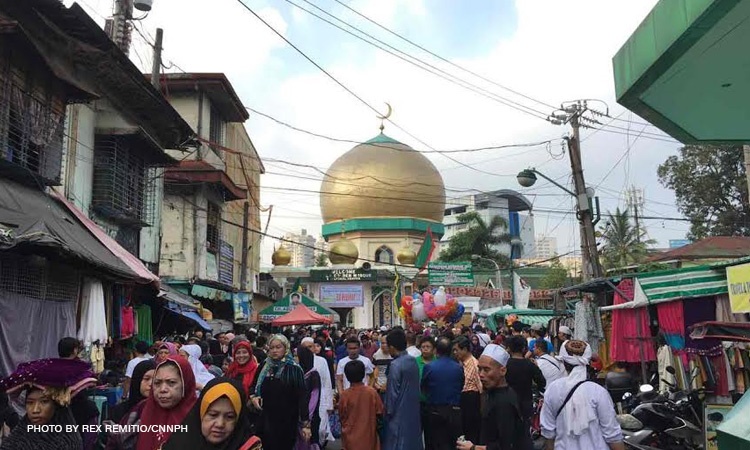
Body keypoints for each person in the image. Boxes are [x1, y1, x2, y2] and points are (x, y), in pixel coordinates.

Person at [540, 340, 624, 450]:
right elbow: (612, 435)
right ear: (588, 362)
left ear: (564, 362)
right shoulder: (598, 392)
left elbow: (548, 433)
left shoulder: (553, 389)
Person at [0, 358, 98, 450]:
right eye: (30, 402)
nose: (35, 410)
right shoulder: (17, 437)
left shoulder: (68, 442)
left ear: (57, 405)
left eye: (44, 402)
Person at [456, 344, 532, 450]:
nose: (481, 374)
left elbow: (506, 445)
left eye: (486, 370)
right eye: (479, 369)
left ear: (503, 371)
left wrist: (473, 448)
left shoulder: (504, 403)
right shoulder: (492, 393)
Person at [162, 378, 261, 450]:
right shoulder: (178, 444)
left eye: (230, 417)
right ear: (201, 414)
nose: (220, 424)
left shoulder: (249, 446)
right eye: (213, 415)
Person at [250, 334, 310, 450]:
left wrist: (305, 424)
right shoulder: (264, 366)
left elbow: (302, 396)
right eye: (272, 348)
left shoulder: (294, 369)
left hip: (286, 421)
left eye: (278, 347)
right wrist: (253, 397)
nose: (274, 351)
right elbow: (253, 385)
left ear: (285, 348)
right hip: (264, 419)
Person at [127, 357, 198, 450]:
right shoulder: (141, 410)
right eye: (157, 383)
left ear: (185, 384)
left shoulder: (199, 416)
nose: (162, 389)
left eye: (171, 382)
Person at [383, 328, 422, 450]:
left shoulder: (395, 365)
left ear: (392, 347)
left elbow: (392, 393)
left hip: (398, 413)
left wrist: (387, 412)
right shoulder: (412, 361)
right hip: (413, 410)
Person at [421, 336, 463, 450]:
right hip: (454, 411)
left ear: (435, 350)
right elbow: (461, 385)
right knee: (452, 443)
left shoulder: (429, 367)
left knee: (433, 443)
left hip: (434, 411)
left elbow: (423, 387)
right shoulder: (458, 368)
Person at [57, 338, 99, 450]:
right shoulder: (81, 367)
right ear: (75, 350)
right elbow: (94, 381)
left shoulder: (53, 367)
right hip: (81, 410)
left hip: (58, 410)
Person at [338, 360, 384, 450]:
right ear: (363, 375)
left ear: (347, 377)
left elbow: (342, 415)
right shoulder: (372, 392)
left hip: (350, 438)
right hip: (369, 437)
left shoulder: (345, 395)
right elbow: (380, 411)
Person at [505, 336, 546, 427]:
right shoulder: (530, 365)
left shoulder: (505, 364)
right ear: (524, 348)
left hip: (508, 403)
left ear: (509, 348)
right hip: (525, 403)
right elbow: (542, 382)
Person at [301, 338, 334, 446]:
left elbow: (327, 381)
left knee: (321, 430)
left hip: (321, 399)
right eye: (305, 347)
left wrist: (329, 403)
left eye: (310, 347)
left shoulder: (321, 361)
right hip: (304, 402)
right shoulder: (297, 363)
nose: (308, 349)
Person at [452, 335, 482, 444]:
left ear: (465, 349)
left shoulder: (474, 365)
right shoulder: (461, 364)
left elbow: (481, 388)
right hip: (463, 401)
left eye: (457, 350)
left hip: (471, 402)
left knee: (471, 434)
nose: (455, 353)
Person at [108, 359, 156, 424]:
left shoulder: (163, 411)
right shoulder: (119, 411)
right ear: (137, 381)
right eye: (146, 379)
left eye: (156, 380)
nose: (151, 384)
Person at [297, 346, 322, 449]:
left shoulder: (313, 375)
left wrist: (306, 419)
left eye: (296, 356)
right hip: (297, 417)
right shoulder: (297, 374)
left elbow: (313, 400)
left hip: (308, 419)